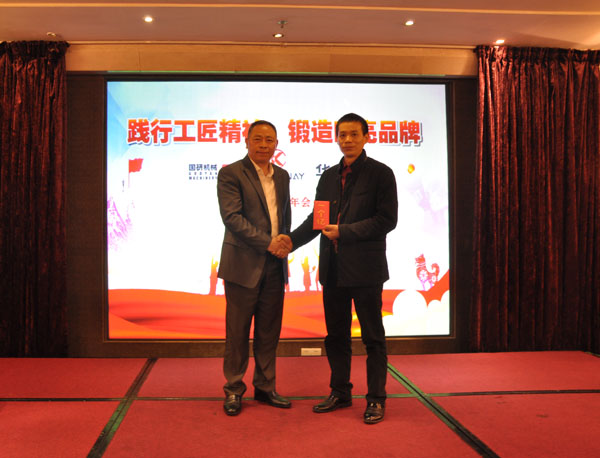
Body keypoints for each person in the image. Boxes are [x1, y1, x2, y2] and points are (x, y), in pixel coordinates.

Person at [281, 113, 398, 424]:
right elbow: (318, 221)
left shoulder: (381, 174)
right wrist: (290, 241)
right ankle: (340, 391)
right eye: (342, 134)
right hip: (333, 270)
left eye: (354, 134)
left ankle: (376, 399)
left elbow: (387, 220)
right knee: (336, 336)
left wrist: (344, 232)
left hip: (366, 269)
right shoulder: (329, 176)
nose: (348, 140)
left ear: (366, 137)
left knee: (373, 337)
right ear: (336, 137)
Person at [217, 120, 293, 416]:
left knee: (269, 331)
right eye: (258, 139)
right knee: (237, 332)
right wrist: (268, 243)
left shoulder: (282, 176)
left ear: (276, 144)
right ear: (246, 141)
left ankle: (265, 387)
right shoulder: (231, 173)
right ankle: (234, 389)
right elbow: (232, 218)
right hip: (242, 265)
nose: (264, 145)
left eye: (269, 140)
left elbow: (284, 218)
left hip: (275, 265)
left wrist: (284, 243)